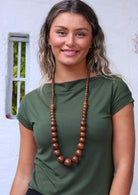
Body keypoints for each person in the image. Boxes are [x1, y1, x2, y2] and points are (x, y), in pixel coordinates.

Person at [10, 0, 135, 194]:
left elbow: (124, 167)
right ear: (48, 38)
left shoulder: (114, 90)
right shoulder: (31, 102)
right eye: (61, 32)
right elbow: (24, 174)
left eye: (80, 34)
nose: (70, 42)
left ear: (93, 39)